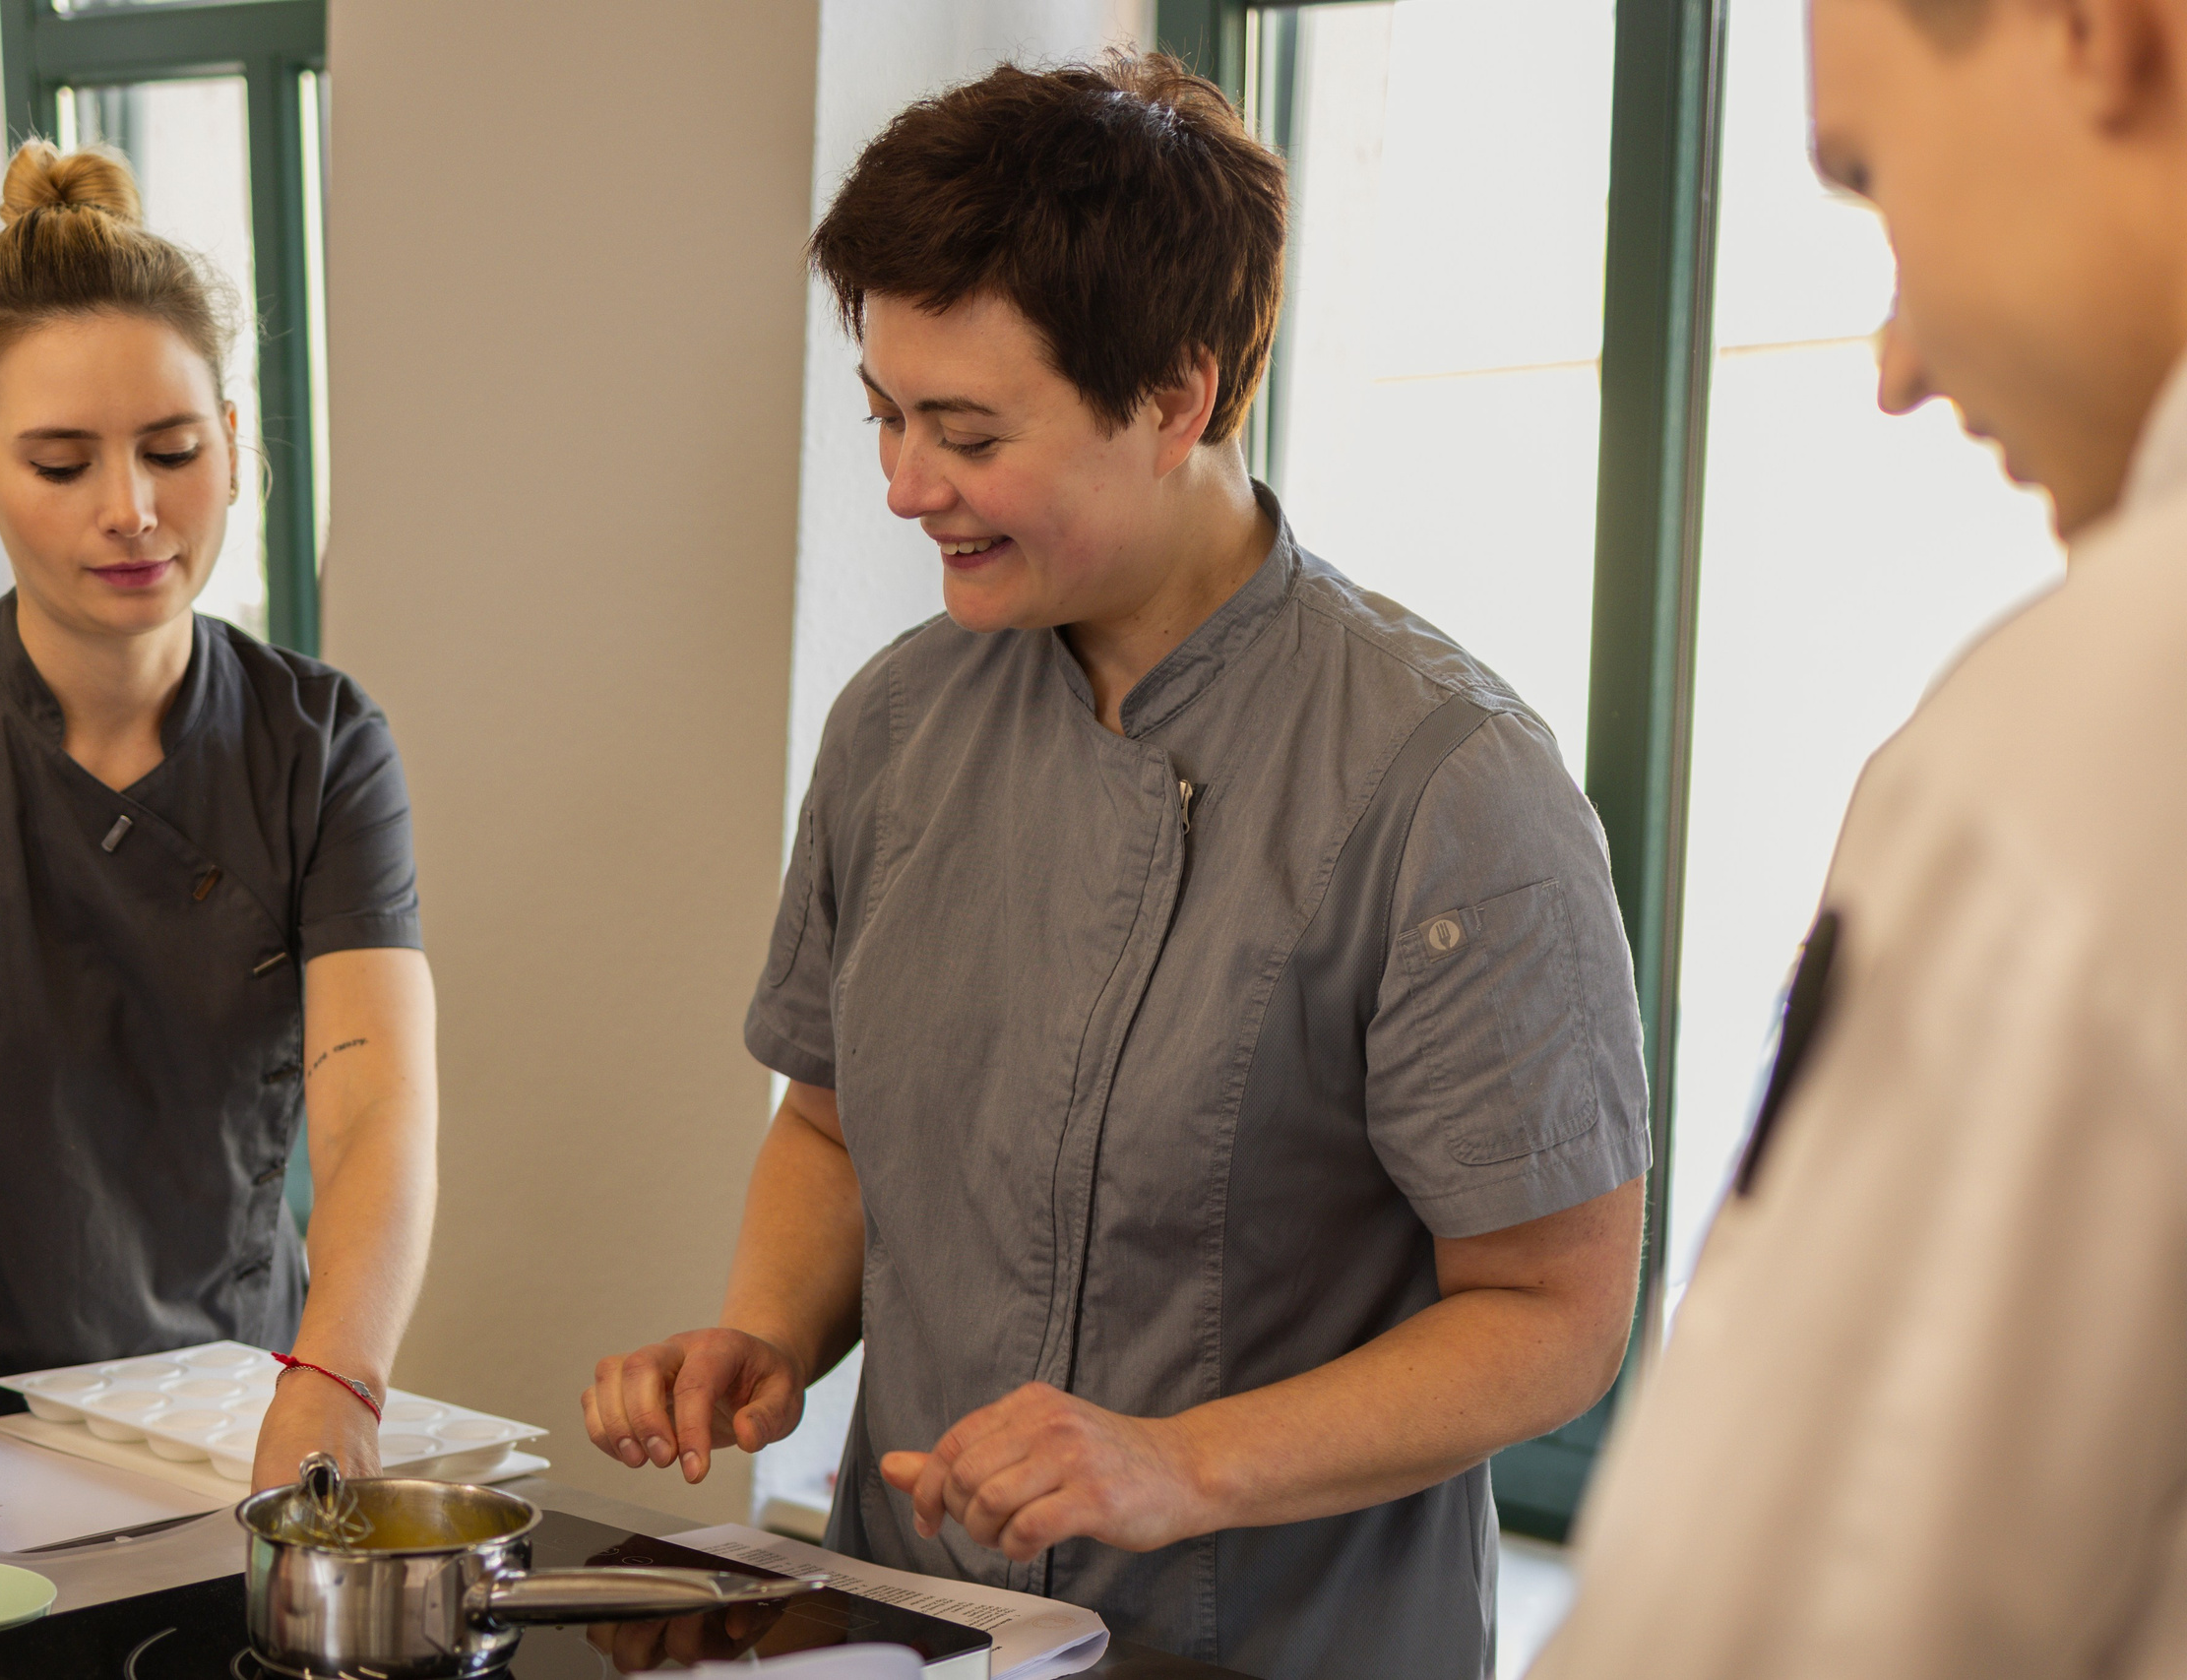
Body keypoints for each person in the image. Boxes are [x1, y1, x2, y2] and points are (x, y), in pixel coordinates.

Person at [584, 56, 1651, 1680]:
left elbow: (1555, 1317)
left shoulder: (1452, 786)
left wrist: (1182, 1465)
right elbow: (833, 1124)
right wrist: (766, 1333)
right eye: (885, 415)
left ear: (1176, 397)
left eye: (966, 431)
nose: (904, 486)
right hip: (911, 1627)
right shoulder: (895, 725)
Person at [1532, 0, 2187, 1673]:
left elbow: (1787, 1626)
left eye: (1875, 176)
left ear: (2089, 33)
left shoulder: (2086, 746)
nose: (1898, 371)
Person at [0, 142, 437, 1563]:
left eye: (174, 452)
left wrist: (336, 1375)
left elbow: (374, 1110)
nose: (130, 508)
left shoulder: (322, 747)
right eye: (61, 464)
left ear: (235, 445)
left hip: (230, 1423)